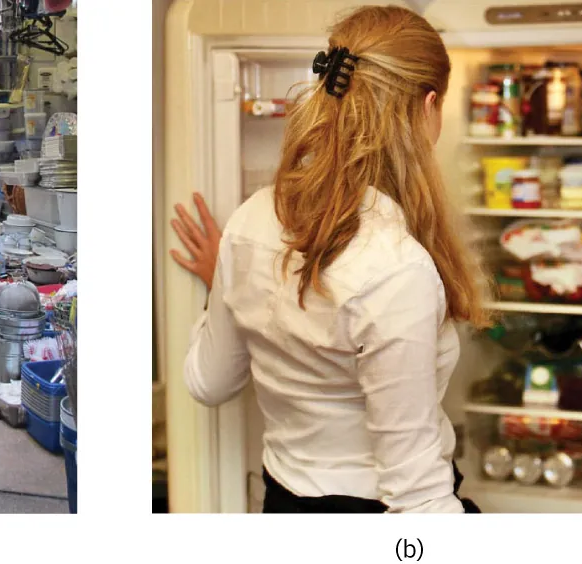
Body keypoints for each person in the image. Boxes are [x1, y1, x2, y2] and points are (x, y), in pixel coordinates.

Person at [173, 5, 489, 513]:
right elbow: (417, 499)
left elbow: (207, 382)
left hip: (283, 503)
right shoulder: (397, 267)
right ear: (428, 106)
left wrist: (224, 285)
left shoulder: (250, 221)